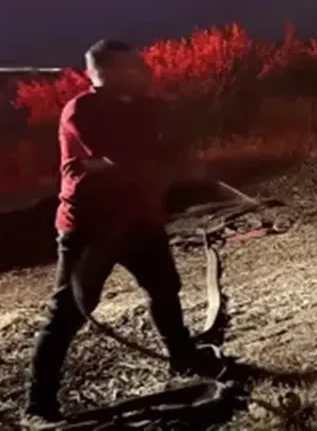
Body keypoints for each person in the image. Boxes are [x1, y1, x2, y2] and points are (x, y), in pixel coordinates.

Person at [22, 40, 219, 427]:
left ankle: (182, 357)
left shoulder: (147, 107)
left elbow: (172, 147)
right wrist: (141, 159)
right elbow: (124, 154)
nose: (144, 71)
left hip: (140, 219)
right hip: (92, 228)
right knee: (69, 312)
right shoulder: (83, 110)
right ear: (106, 72)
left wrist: (147, 159)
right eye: (133, 66)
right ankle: (38, 404)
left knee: (165, 288)